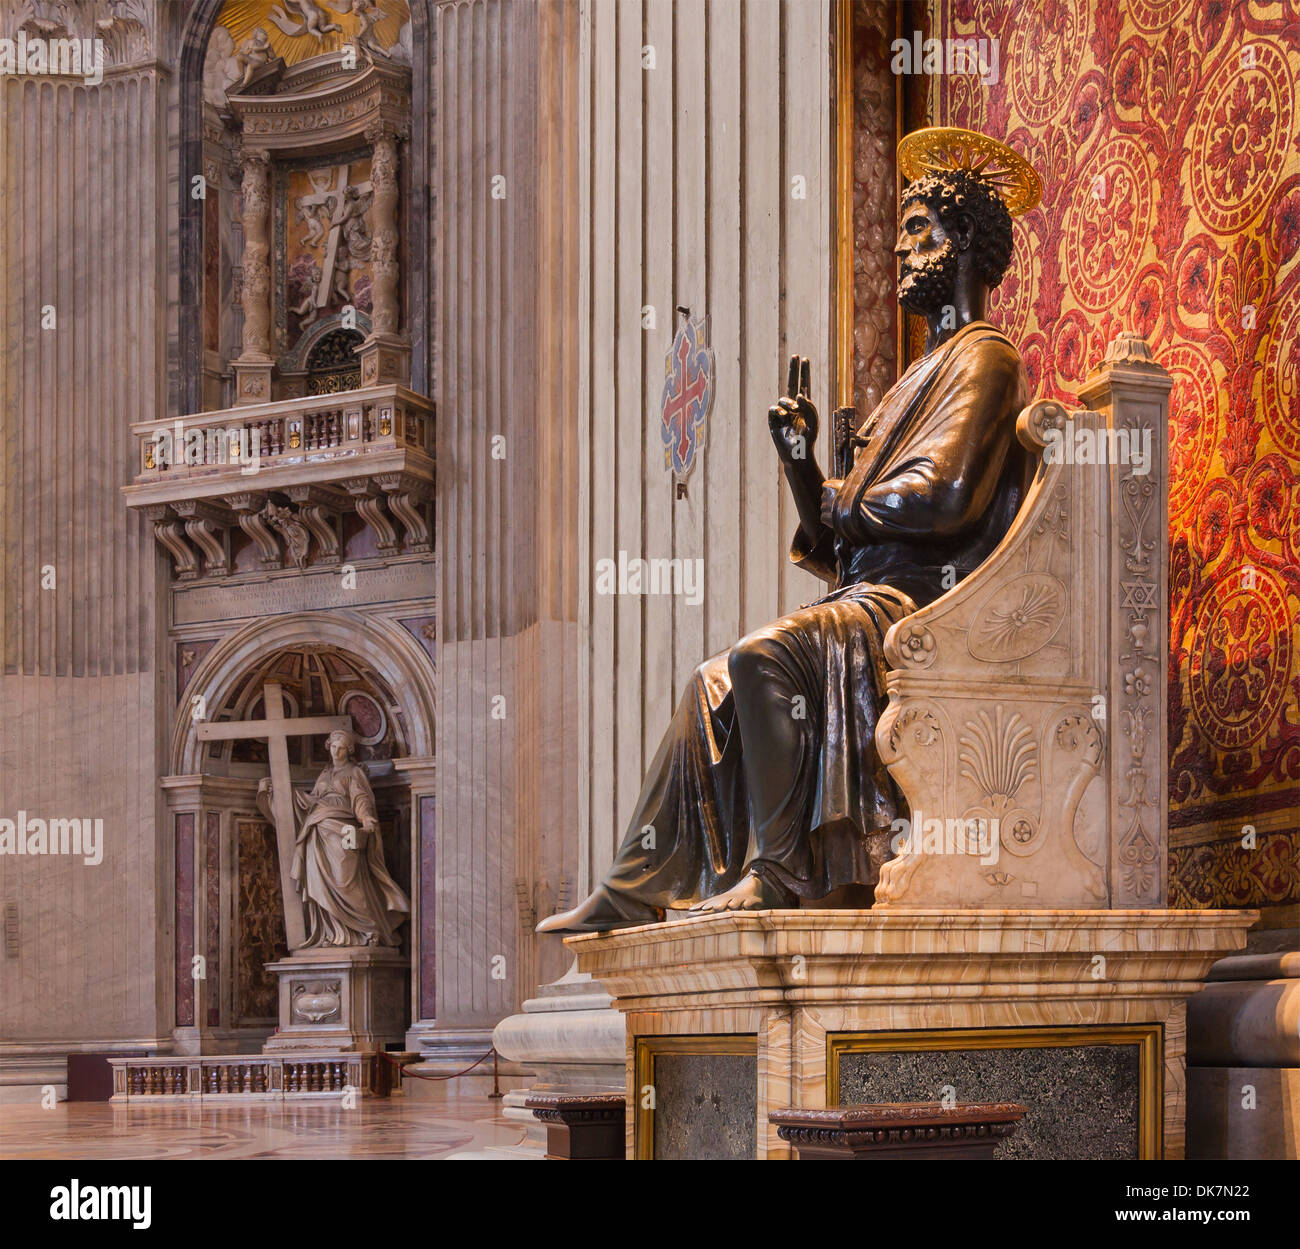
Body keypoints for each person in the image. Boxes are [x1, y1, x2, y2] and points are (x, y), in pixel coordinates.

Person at [540, 139, 1037, 933]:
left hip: (924, 606)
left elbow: (943, 500)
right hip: (867, 589)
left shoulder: (986, 359)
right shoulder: (917, 375)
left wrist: (842, 497)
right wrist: (801, 461)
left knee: (763, 655)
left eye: (923, 231)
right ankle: (637, 884)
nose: (904, 250)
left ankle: (785, 873)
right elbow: (835, 540)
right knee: (712, 685)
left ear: (969, 242)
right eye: (902, 234)